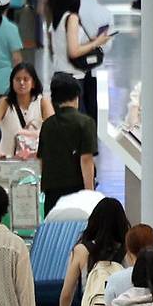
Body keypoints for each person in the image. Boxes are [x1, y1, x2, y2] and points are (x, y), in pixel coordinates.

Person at [49, 0, 110, 123]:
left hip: (59, 74)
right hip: (73, 79)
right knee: (77, 127)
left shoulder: (57, 19)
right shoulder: (72, 18)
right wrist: (96, 42)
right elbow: (74, 51)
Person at [37, 71, 97, 215]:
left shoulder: (48, 124)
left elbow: (41, 159)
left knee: (55, 231)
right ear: (77, 95)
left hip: (52, 191)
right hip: (77, 189)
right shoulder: (85, 122)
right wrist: (90, 194)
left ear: (54, 98)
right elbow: (86, 159)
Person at [0, 61, 53, 159]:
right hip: (8, 159)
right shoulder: (4, 103)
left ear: (33, 83)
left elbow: (53, 130)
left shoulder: (42, 102)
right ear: (12, 82)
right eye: (17, 79)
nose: (22, 83)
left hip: (37, 160)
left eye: (26, 79)